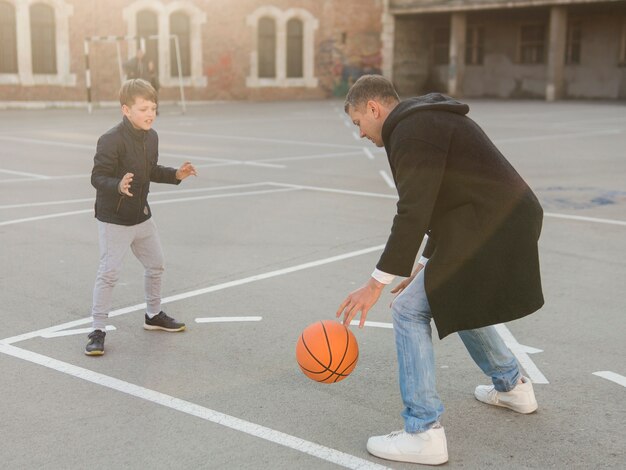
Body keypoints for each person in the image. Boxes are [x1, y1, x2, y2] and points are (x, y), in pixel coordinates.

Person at [336, 75, 544, 465]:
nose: (360, 133)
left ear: (373, 108)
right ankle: (513, 387)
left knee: (408, 309)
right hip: (495, 220)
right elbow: (443, 199)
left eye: (357, 123)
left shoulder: (412, 131)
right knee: (454, 294)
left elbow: (414, 210)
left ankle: (423, 432)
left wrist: (375, 284)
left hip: (490, 225)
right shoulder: (421, 121)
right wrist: (429, 262)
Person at [85, 78, 197, 356]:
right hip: (114, 219)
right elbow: (97, 177)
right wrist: (118, 185)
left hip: (141, 216)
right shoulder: (110, 140)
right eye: (144, 108)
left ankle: (153, 315)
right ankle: (97, 330)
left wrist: (175, 175)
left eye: (154, 108)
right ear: (126, 110)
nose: (150, 114)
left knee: (156, 264)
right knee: (109, 274)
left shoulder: (152, 136)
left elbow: (151, 170)